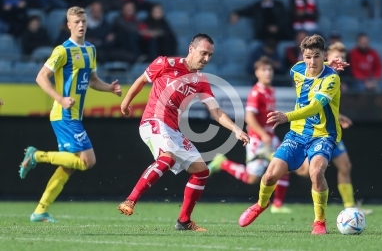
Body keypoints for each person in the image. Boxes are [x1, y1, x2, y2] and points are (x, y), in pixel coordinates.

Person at [116, 33, 250, 231]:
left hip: (173, 129)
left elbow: (216, 112)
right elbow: (141, 80)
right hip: (153, 121)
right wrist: (126, 103)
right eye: (203, 53)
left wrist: (236, 129)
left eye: (210, 55)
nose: (206, 59)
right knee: (167, 158)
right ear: (191, 49)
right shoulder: (165, 63)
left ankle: (184, 221)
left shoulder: (201, 81)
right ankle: (130, 200)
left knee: (202, 172)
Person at [18, 6, 122, 222]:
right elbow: (41, 77)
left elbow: (92, 80)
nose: (81, 25)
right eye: (76, 22)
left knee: (69, 166)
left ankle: (40, 211)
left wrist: (109, 89)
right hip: (64, 115)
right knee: (87, 161)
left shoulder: (91, 50)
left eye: (83, 21)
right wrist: (60, 99)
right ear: (68, 25)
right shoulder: (62, 50)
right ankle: (36, 155)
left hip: (75, 115)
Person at [238, 34, 348, 235]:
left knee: (316, 173)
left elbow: (315, 107)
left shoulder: (331, 79)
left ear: (323, 54)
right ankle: (261, 204)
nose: (311, 61)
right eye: (308, 56)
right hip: (297, 134)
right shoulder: (297, 69)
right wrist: (326, 62)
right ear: (302, 56)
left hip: (323, 135)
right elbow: (307, 65)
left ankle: (319, 222)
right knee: (270, 176)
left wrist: (286, 116)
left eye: (317, 56)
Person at [296, 42, 372, 215]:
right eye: (337, 57)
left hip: (331, 131)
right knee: (304, 171)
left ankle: (350, 207)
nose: (341, 60)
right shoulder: (318, 76)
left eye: (343, 57)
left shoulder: (336, 76)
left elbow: (328, 105)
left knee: (345, 165)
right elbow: (313, 105)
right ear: (325, 57)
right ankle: (283, 167)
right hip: (315, 131)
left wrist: (338, 116)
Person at [208, 56, 292, 214]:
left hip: (270, 137)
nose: (268, 73)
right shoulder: (256, 92)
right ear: (257, 73)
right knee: (252, 178)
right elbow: (249, 118)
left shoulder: (270, 90)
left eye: (270, 69)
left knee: (285, 166)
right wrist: (263, 134)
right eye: (264, 70)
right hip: (258, 140)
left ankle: (277, 205)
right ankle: (222, 163)